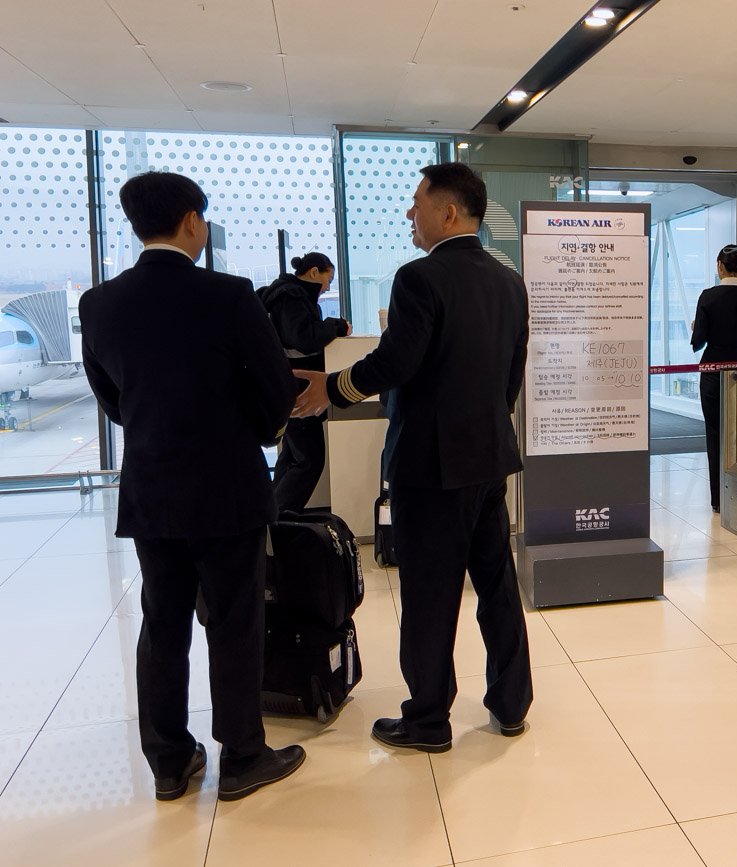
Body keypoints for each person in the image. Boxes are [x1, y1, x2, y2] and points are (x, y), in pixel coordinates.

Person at [78, 172, 306, 801]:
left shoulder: (97, 304)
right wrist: (259, 429)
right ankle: (242, 756)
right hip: (226, 488)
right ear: (189, 221)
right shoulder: (229, 295)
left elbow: (114, 404)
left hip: (152, 489)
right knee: (234, 620)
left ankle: (169, 762)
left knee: (163, 623)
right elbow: (274, 386)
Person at [292, 163, 531, 752]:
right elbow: (511, 374)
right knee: (496, 583)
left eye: (416, 203)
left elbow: (398, 362)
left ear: (447, 212)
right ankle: (511, 704)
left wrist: (333, 387)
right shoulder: (509, 283)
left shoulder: (419, 277)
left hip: (430, 465)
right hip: (489, 457)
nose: (409, 215)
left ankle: (427, 720)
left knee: (429, 593)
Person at [257, 252, 351, 513]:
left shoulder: (286, 295)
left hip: (288, 390)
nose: (327, 287)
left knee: (292, 458)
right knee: (309, 460)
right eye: (327, 279)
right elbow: (304, 337)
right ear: (313, 272)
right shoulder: (291, 297)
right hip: (299, 392)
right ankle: (279, 522)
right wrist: (337, 326)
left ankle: (272, 520)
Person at [690, 244, 737, 513]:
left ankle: (718, 499)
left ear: (720, 266)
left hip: (712, 370)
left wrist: (696, 331)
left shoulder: (708, 297)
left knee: (715, 431)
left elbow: (698, 341)